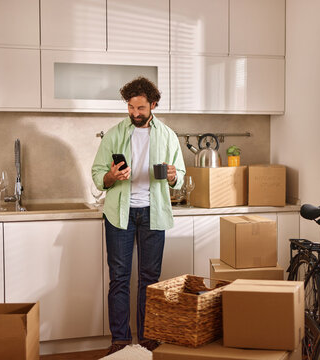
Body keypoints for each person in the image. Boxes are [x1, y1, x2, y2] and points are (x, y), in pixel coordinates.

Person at [91, 77, 185, 355]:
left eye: (140, 107)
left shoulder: (168, 135)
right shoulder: (114, 134)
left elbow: (179, 176)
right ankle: (120, 340)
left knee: (151, 280)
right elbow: (98, 175)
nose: (134, 113)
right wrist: (111, 176)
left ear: (153, 104)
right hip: (120, 214)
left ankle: (148, 338)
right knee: (119, 278)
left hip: (153, 214)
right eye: (130, 107)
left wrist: (172, 176)